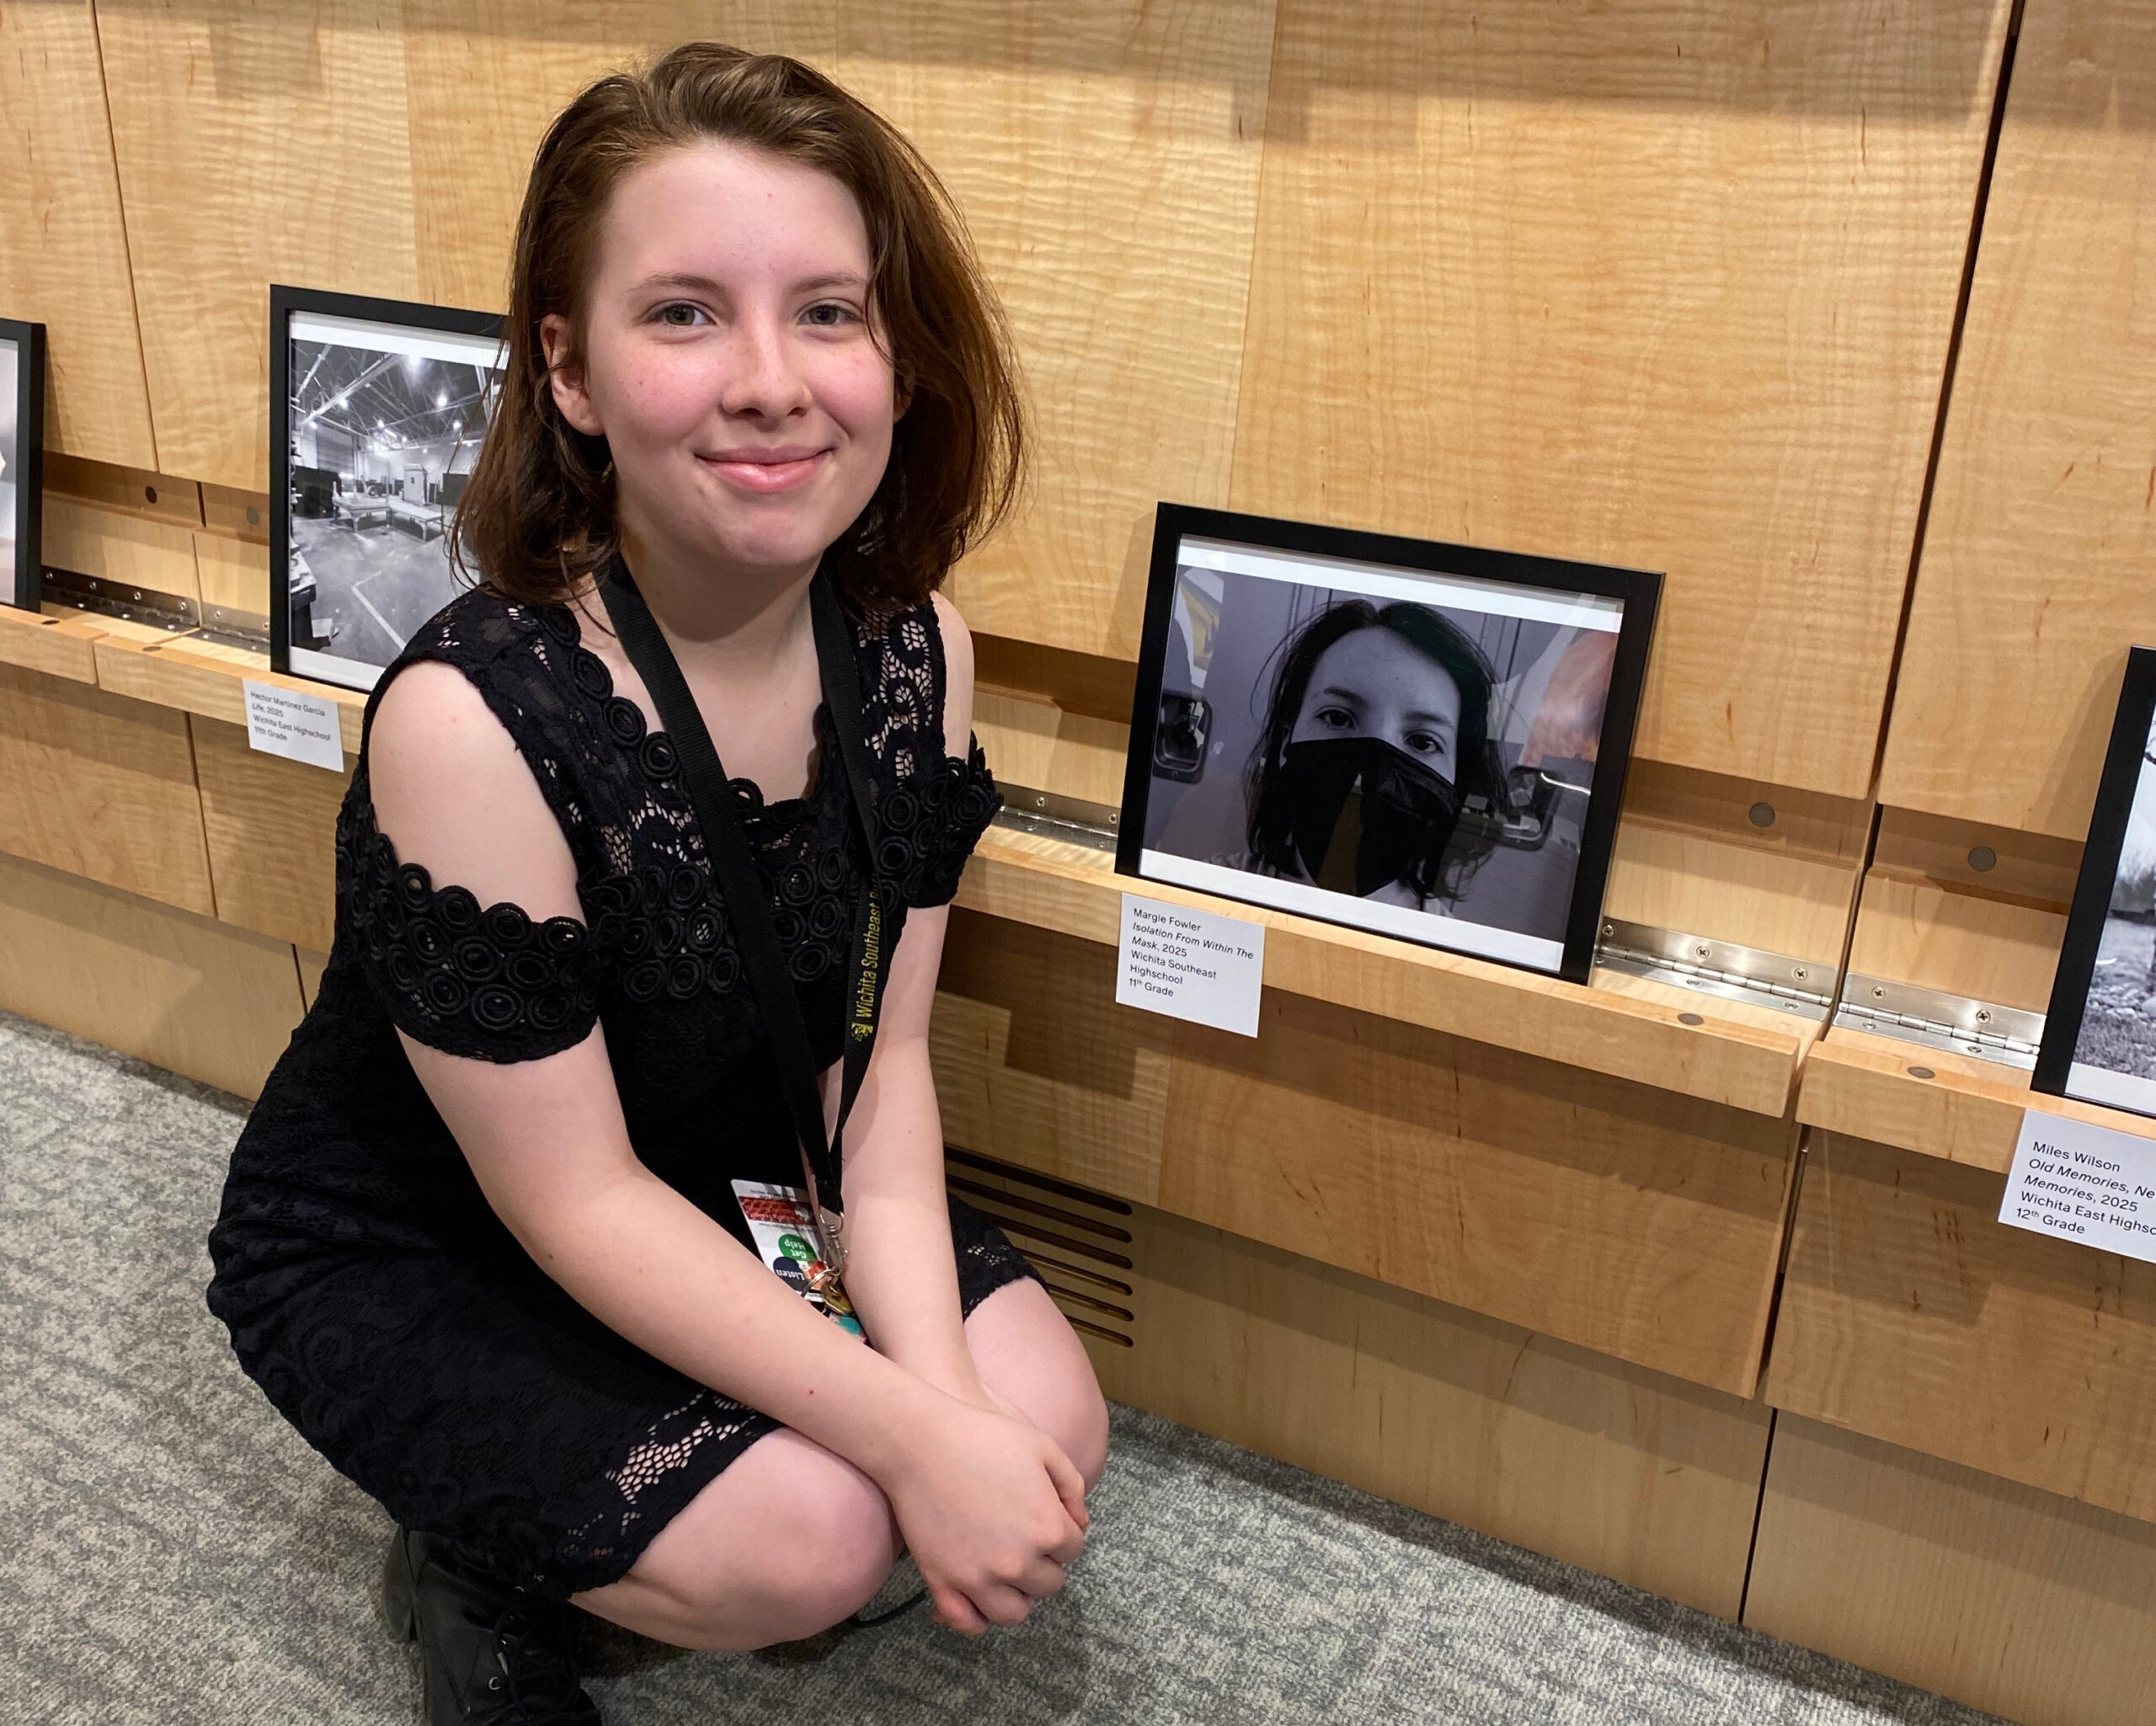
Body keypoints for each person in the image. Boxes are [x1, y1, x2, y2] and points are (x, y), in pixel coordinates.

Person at [206, 45, 1107, 1725]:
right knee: (819, 1539)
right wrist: (908, 1440)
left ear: (897, 358)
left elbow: (875, 1064)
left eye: (828, 311)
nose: (773, 380)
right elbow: (574, 1202)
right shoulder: (475, 717)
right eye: (684, 313)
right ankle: (478, 1562)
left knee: (1044, 1424)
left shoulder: (918, 652)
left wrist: (945, 1414)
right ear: (569, 369)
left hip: (736, 1151)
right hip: (448, 1226)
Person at [1240, 600, 1507, 909]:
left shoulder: (1455, 954)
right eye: (1338, 718)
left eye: (1422, 741)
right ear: (1288, 737)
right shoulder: (1201, 894)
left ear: (1456, 780)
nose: (1372, 777)